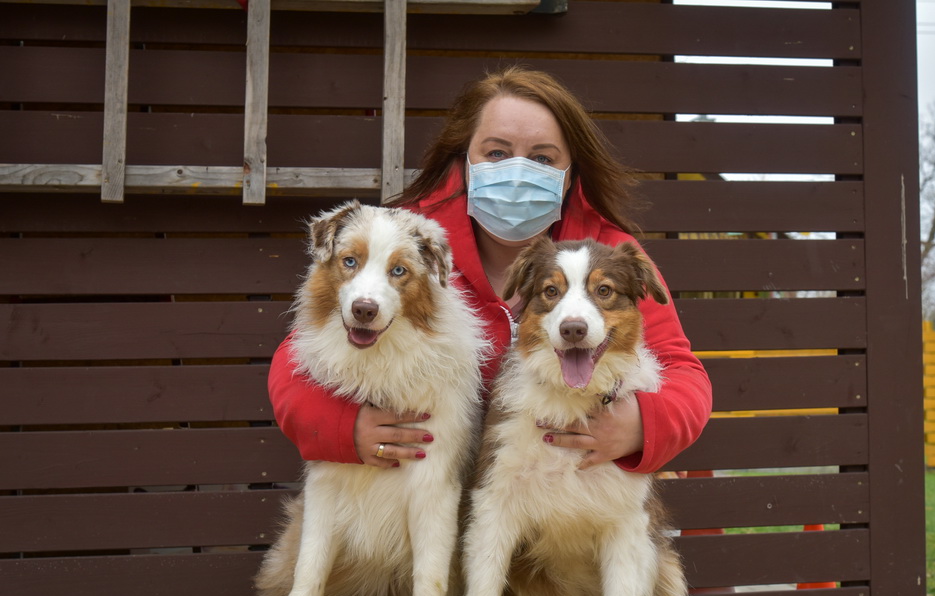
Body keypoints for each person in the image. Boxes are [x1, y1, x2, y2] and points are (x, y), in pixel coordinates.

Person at [268, 66, 713, 474]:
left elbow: (681, 371)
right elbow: (298, 361)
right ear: (463, 158)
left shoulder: (609, 253)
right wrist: (344, 426)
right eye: (497, 152)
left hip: (558, 495)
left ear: (571, 172)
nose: (518, 173)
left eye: (543, 159)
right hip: (426, 494)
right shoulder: (410, 242)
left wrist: (641, 426)